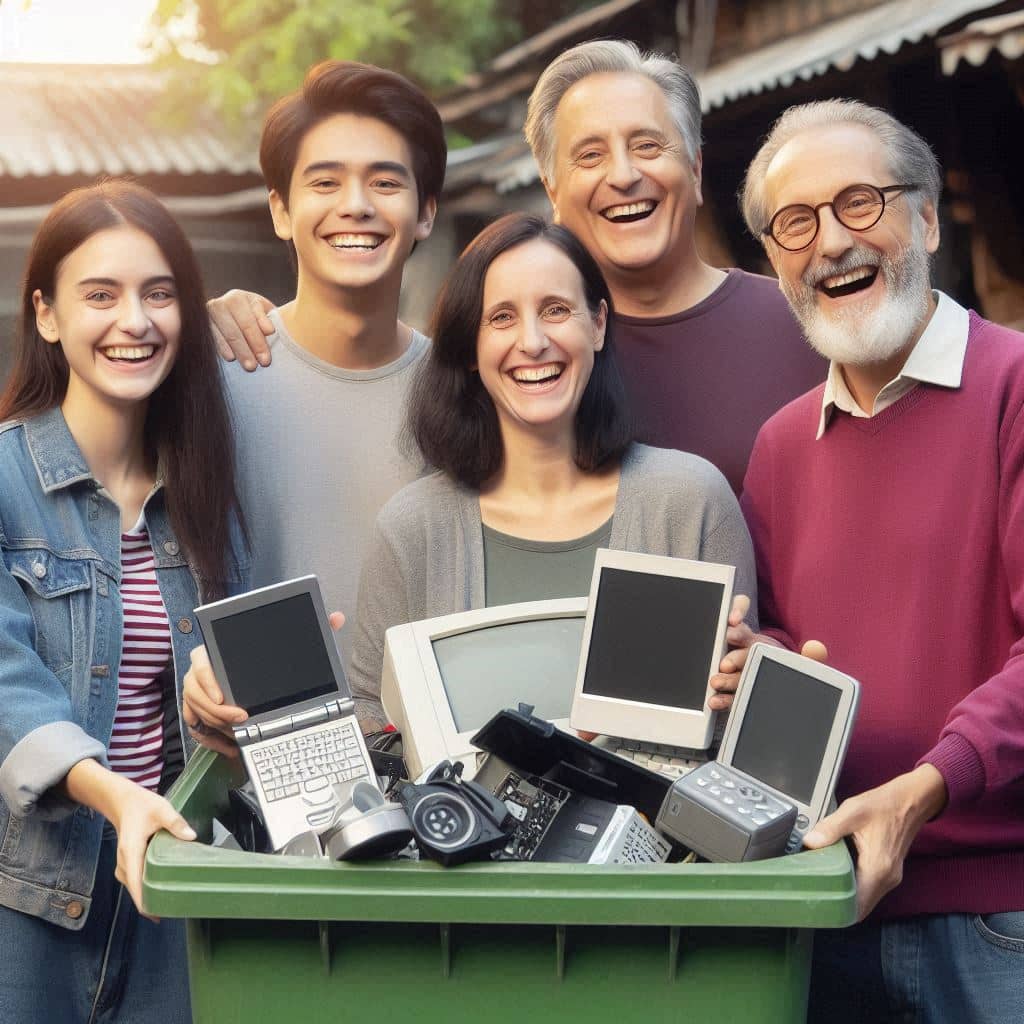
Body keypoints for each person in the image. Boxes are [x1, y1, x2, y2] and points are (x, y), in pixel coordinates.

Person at [179, 214, 758, 740]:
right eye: (501, 318)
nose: (532, 342)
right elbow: (368, 720)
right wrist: (240, 706)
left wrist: (749, 681)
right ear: (472, 350)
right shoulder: (415, 527)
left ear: (598, 324)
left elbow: (737, 734)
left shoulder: (691, 501)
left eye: (556, 309)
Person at [212, 42, 822, 495]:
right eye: (589, 155)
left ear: (694, 171)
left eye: (647, 146)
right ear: (552, 190)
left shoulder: (805, 328)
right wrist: (203, 321)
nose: (623, 175)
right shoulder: (500, 363)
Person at [734, 99, 1024, 1022]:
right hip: (822, 903)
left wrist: (921, 792)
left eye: (861, 203)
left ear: (929, 218)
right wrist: (756, 667)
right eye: (796, 223)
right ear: (775, 260)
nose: (831, 243)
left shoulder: (1015, 387)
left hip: (995, 918)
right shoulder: (779, 444)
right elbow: (790, 637)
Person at [0, 181, 248, 1023]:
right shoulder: (4, 482)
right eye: (99, 295)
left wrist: (236, 705)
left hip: (171, 899)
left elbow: (214, 736)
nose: (134, 321)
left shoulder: (205, 494)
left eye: (159, 293)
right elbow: (6, 682)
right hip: (27, 903)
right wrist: (113, 795)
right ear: (46, 314)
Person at [211, 61, 446, 668]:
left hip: (424, 751)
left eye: (386, 183)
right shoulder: (213, 377)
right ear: (281, 210)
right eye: (324, 183)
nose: (356, 206)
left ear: (426, 213)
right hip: (251, 744)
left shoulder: (463, 390)